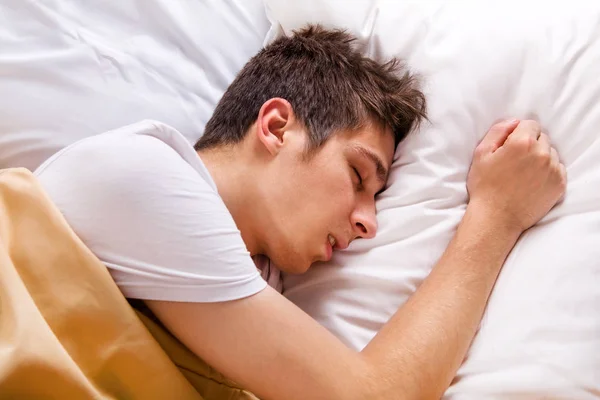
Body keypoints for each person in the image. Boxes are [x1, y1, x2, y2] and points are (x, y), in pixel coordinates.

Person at [35, 25, 566, 399]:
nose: (368, 223)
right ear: (275, 127)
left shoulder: (258, 285)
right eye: (358, 176)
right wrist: (495, 217)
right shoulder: (143, 175)